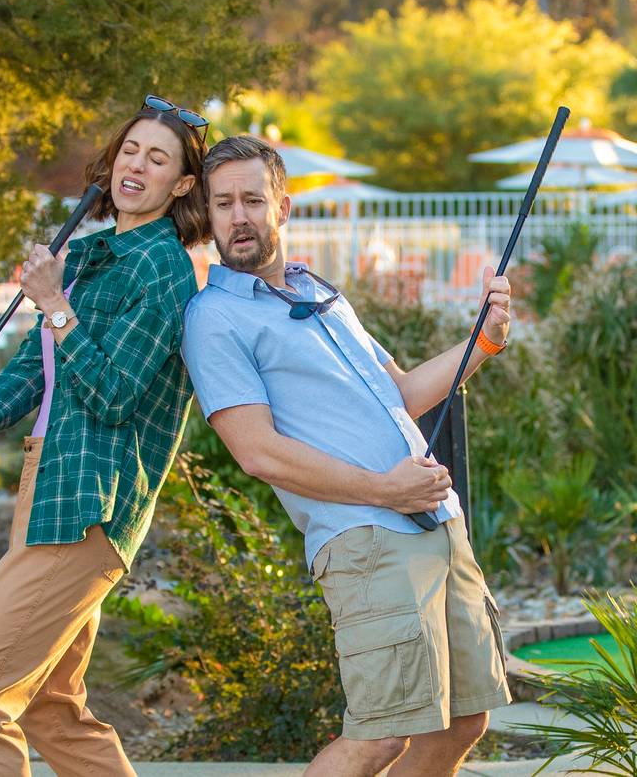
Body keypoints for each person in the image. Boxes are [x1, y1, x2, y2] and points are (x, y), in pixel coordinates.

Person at [180, 135, 512, 777]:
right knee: (382, 735)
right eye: (223, 204)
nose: (238, 216)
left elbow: (404, 394)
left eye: (253, 199)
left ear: (284, 205)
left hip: (437, 524)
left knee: (463, 720)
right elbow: (258, 453)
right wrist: (385, 490)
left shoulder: (320, 295)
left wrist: (486, 343)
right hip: (364, 539)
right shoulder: (214, 317)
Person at [0, 95, 211, 777]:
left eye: (158, 159)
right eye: (131, 150)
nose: (138, 164)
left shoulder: (162, 269)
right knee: (48, 706)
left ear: (182, 185)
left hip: (87, 504)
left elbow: (112, 395)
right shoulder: (99, 252)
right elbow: (34, 366)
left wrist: (54, 303)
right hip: (50, 485)